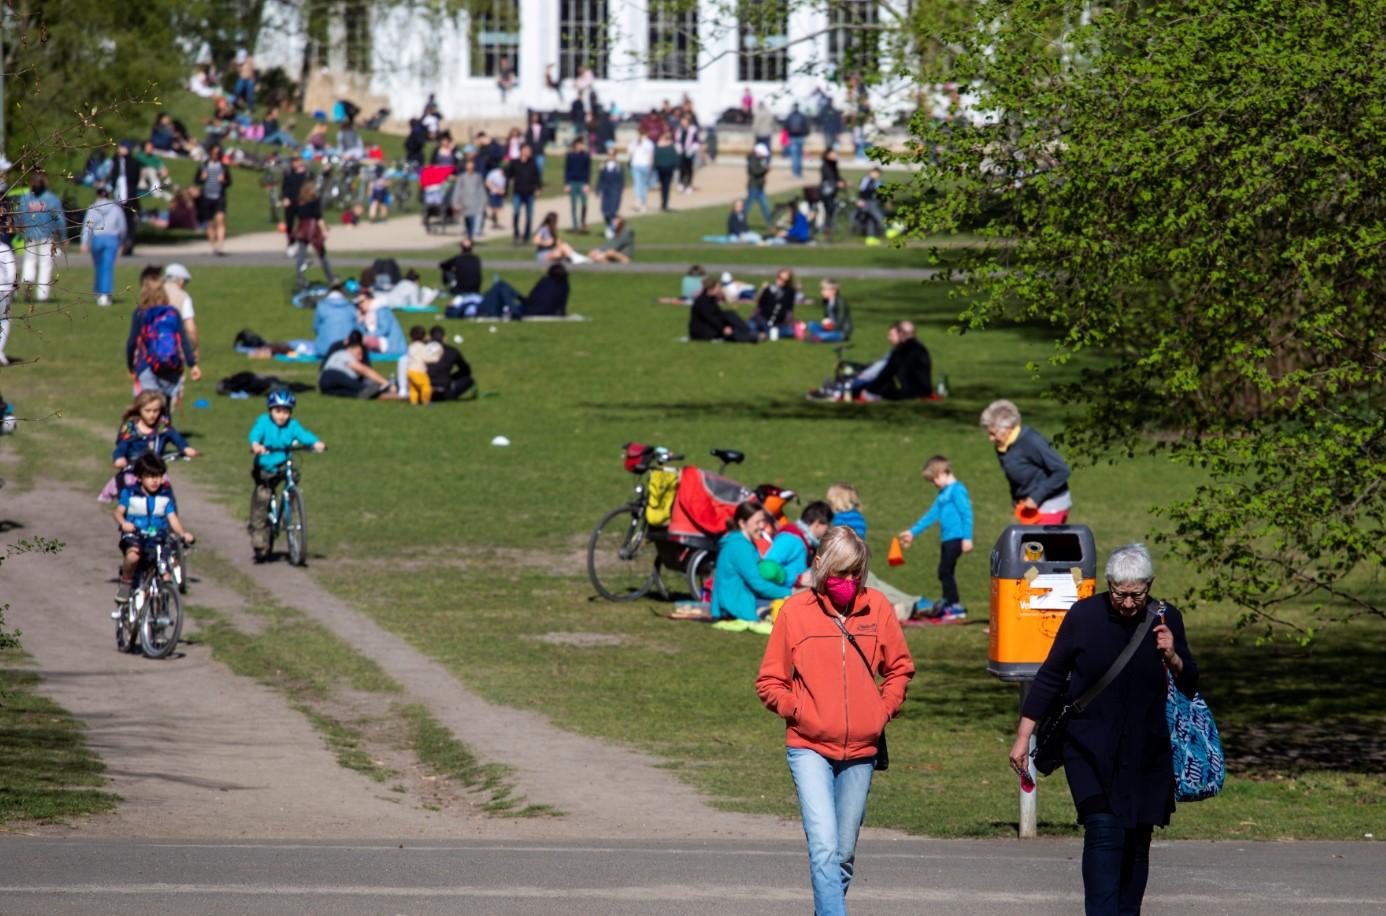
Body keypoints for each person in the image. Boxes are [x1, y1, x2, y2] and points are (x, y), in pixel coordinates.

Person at [1010, 543, 1198, 916]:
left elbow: (1191, 683)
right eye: (1119, 593)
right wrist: (1022, 736)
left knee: (1137, 840)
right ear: (1108, 584)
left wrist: (1173, 656)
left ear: (1150, 586)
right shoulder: (1084, 615)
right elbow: (1050, 676)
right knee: (1104, 833)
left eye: (1136, 595)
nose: (1128, 603)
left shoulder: (1166, 619)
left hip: (1148, 751)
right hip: (1089, 749)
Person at [755, 525, 915, 916]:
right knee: (824, 846)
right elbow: (769, 681)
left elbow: (899, 669)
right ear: (822, 567)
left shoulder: (877, 608)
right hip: (809, 747)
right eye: (840, 572)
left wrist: (881, 710)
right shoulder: (794, 612)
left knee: (842, 853)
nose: (847, 581)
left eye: (855, 573)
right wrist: (799, 711)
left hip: (862, 749)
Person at [248, 390, 326, 561]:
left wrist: (315, 442)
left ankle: (289, 504)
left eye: (286, 411)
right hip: (265, 467)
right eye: (278, 411)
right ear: (270, 410)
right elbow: (255, 434)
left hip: (283, 464)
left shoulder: (293, 425)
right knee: (262, 498)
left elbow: (303, 435)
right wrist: (256, 445)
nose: (282, 416)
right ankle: (259, 535)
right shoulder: (263, 422)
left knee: (294, 475)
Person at [898, 455, 974, 623]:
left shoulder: (957, 490)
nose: (933, 484)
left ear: (941, 473)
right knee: (946, 571)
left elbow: (966, 513)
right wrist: (912, 532)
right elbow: (931, 515)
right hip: (947, 539)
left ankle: (954, 605)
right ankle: (949, 601)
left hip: (957, 538)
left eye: (934, 480)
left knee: (944, 571)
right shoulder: (943, 494)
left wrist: (967, 538)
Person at [114, 453, 195, 603]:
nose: (155, 480)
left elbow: (172, 518)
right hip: (135, 535)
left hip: (158, 537)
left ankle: (161, 609)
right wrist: (124, 523)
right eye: (150, 476)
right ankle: (126, 582)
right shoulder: (130, 493)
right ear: (139, 477)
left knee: (165, 573)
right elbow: (118, 512)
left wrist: (183, 533)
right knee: (133, 556)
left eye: (158, 476)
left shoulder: (165, 495)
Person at [980, 399, 1073, 524]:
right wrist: (1017, 498)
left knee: (1042, 544)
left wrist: (1035, 497)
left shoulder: (1031, 441)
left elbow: (1062, 470)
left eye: (993, 433)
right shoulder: (1002, 446)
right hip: (1029, 508)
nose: (990, 439)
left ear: (1008, 428)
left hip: (1051, 505)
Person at [710, 503, 791, 622]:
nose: (763, 526)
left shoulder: (744, 543)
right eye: (757, 522)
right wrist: (789, 592)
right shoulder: (740, 547)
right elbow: (758, 585)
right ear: (742, 523)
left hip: (740, 597)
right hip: (736, 603)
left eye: (763, 521)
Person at [126, 272, 200, 400]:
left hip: (147, 366)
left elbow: (132, 342)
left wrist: (131, 366)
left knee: (150, 407)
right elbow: (183, 340)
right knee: (164, 408)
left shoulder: (140, 313)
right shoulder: (172, 312)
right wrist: (192, 365)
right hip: (171, 366)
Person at [16, 173, 64, 303]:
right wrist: (63, 236)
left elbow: (18, 215)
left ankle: (28, 283)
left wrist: (18, 228)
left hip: (29, 234)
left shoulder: (25, 198)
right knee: (45, 264)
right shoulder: (51, 198)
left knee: (29, 261)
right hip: (46, 235)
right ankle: (42, 294)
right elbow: (59, 218)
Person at [857, 320, 932, 401]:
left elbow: (886, 374)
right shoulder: (922, 349)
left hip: (909, 394)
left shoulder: (900, 351)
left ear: (900, 334)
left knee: (884, 387)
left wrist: (869, 390)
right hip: (926, 391)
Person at [764, 501, 833, 588]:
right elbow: (767, 567)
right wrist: (797, 579)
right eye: (828, 525)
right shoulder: (791, 539)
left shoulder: (807, 541)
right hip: (780, 596)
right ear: (817, 523)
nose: (828, 530)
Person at [80, 187, 127, 307]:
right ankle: (104, 293)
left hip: (97, 238)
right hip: (112, 238)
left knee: (99, 266)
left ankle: (99, 291)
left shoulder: (93, 208)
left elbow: (88, 225)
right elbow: (122, 226)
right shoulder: (116, 208)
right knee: (107, 267)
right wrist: (122, 241)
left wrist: (84, 241)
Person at [318, 332, 397, 399]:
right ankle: (381, 387)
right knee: (362, 388)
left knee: (351, 393)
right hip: (333, 374)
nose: (361, 357)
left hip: (324, 384)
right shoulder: (345, 354)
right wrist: (386, 383)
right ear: (353, 349)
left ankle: (369, 393)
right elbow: (364, 370)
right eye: (359, 354)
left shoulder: (338, 353)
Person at [689, 276, 757, 343]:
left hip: (710, 327)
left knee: (729, 314)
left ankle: (747, 332)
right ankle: (750, 336)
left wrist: (727, 324)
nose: (719, 289)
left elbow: (718, 314)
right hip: (703, 332)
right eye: (718, 288)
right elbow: (711, 319)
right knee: (732, 334)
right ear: (711, 289)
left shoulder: (711, 299)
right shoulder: (702, 302)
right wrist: (723, 328)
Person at [292, 181, 335, 285]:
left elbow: (297, 215)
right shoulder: (315, 201)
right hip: (313, 228)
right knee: (322, 254)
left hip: (302, 228)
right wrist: (324, 230)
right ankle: (331, 278)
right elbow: (318, 217)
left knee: (301, 255)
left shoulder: (299, 202)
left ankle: (299, 278)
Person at [195, 144, 231, 255]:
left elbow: (229, 182)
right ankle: (213, 244)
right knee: (210, 223)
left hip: (219, 196)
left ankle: (220, 245)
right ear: (210, 153)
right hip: (207, 196)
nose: (216, 155)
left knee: (220, 220)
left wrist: (223, 181)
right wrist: (202, 178)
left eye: (218, 153)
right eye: (214, 153)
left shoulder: (223, 167)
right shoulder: (204, 166)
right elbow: (196, 181)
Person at [161, 264, 200, 362]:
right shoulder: (183, 297)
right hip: (172, 350)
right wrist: (194, 348)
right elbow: (190, 329)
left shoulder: (152, 293)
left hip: (150, 349)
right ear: (180, 280)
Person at [425, 326, 474, 401]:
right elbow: (466, 370)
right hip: (445, 392)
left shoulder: (422, 350)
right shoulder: (452, 351)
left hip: (424, 390)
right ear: (444, 338)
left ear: (429, 337)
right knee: (469, 380)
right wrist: (452, 377)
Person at [798, 278, 852, 343]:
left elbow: (840, 320)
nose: (821, 292)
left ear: (833, 291)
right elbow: (826, 317)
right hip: (829, 329)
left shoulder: (840, 302)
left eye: (824, 290)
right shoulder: (826, 302)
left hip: (840, 331)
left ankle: (816, 337)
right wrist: (825, 323)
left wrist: (830, 327)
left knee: (823, 335)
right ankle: (818, 336)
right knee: (811, 324)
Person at [507, 144, 542, 244]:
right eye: (526, 150)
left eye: (529, 150)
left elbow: (537, 177)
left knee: (529, 215)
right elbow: (509, 175)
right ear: (521, 151)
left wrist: (538, 189)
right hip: (518, 192)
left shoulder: (532, 164)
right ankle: (516, 233)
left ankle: (526, 236)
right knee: (516, 213)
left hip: (529, 192)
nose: (528, 152)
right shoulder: (515, 163)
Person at [751, 268, 797, 338]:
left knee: (790, 331)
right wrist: (762, 289)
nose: (781, 281)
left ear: (788, 281)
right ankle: (766, 333)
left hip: (779, 323)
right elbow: (757, 302)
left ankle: (764, 334)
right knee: (751, 325)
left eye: (785, 280)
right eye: (779, 278)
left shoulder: (790, 291)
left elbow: (789, 310)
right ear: (777, 277)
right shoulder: (768, 289)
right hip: (763, 319)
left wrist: (790, 322)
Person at [404, 325, 442, 405]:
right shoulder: (423, 347)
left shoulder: (410, 347)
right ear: (424, 337)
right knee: (426, 386)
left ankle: (413, 402)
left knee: (413, 388)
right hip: (419, 372)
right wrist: (436, 358)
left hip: (410, 371)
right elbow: (426, 358)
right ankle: (426, 401)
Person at [280, 155, 309, 257]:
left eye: (298, 161)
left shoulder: (307, 175)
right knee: (290, 226)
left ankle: (302, 246)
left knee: (303, 225)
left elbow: (310, 189)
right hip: (291, 203)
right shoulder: (289, 175)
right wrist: (285, 198)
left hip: (303, 203)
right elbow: (284, 189)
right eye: (294, 161)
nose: (296, 163)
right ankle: (291, 244)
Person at [454, 157, 487, 240]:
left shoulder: (477, 177)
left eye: (471, 167)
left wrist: (484, 200)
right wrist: (455, 202)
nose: (470, 168)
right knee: (467, 220)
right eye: (468, 166)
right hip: (464, 203)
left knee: (473, 220)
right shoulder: (462, 177)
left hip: (475, 202)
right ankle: (469, 235)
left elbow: (481, 189)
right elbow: (457, 190)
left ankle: (470, 237)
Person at [563, 136, 592, 232]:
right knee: (574, 206)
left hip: (582, 183)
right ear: (575, 145)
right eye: (579, 144)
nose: (580, 146)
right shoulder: (570, 156)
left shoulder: (586, 156)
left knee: (584, 204)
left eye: (582, 144)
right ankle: (575, 226)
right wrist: (567, 184)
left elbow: (588, 171)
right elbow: (567, 170)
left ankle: (582, 222)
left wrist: (587, 184)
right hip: (572, 183)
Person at [595, 151, 625, 230]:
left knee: (613, 211)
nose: (610, 156)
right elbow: (600, 179)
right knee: (605, 211)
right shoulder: (603, 166)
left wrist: (620, 190)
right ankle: (610, 226)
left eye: (612, 155)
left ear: (615, 156)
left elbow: (621, 180)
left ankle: (613, 228)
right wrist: (598, 189)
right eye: (609, 155)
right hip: (606, 191)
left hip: (615, 190)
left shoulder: (618, 167)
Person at [745, 143, 773, 226]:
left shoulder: (761, 159)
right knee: (748, 206)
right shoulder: (752, 159)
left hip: (760, 187)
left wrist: (766, 169)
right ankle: (741, 221)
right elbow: (755, 171)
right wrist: (766, 169)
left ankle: (770, 223)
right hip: (753, 186)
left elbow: (761, 170)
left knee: (764, 206)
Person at [855, 167, 885, 243]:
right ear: (870, 172)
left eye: (878, 174)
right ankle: (889, 229)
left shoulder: (878, 181)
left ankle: (870, 238)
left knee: (871, 220)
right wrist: (861, 200)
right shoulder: (866, 179)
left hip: (874, 202)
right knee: (878, 216)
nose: (876, 175)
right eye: (875, 173)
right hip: (866, 202)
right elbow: (862, 191)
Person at [628, 132, 654, 212]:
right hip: (636, 165)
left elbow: (650, 155)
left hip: (645, 165)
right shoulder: (633, 143)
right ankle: (638, 199)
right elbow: (630, 154)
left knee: (644, 185)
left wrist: (650, 166)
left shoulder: (649, 143)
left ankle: (643, 203)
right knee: (637, 183)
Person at [652, 133, 678, 212]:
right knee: (665, 187)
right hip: (667, 169)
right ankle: (664, 204)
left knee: (664, 187)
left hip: (662, 168)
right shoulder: (671, 147)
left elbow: (655, 158)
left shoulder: (658, 147)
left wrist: (655, 167)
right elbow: (675, 158)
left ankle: (664, 203)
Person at [674, 114, 700, 193]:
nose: (683, 123)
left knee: (689, 169)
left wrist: (692, 149)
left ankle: (688, 184)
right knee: (681, 168)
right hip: (681, 151)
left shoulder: (693, 130)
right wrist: (678, 148)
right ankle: (681, 183)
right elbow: (677, 140)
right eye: (682, 121)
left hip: (689, 152)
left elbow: (696, 141)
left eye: (685, 121)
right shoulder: (679, 130)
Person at [785, 103, 810, 177]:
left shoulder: (790, 116)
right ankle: (799, 172)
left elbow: (785, 126)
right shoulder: (802, 116)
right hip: (800, 137)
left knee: (794, 156)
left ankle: (794, 173)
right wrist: (804, 134)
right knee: (799, 156)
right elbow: (806, 127)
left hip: (792, 137)